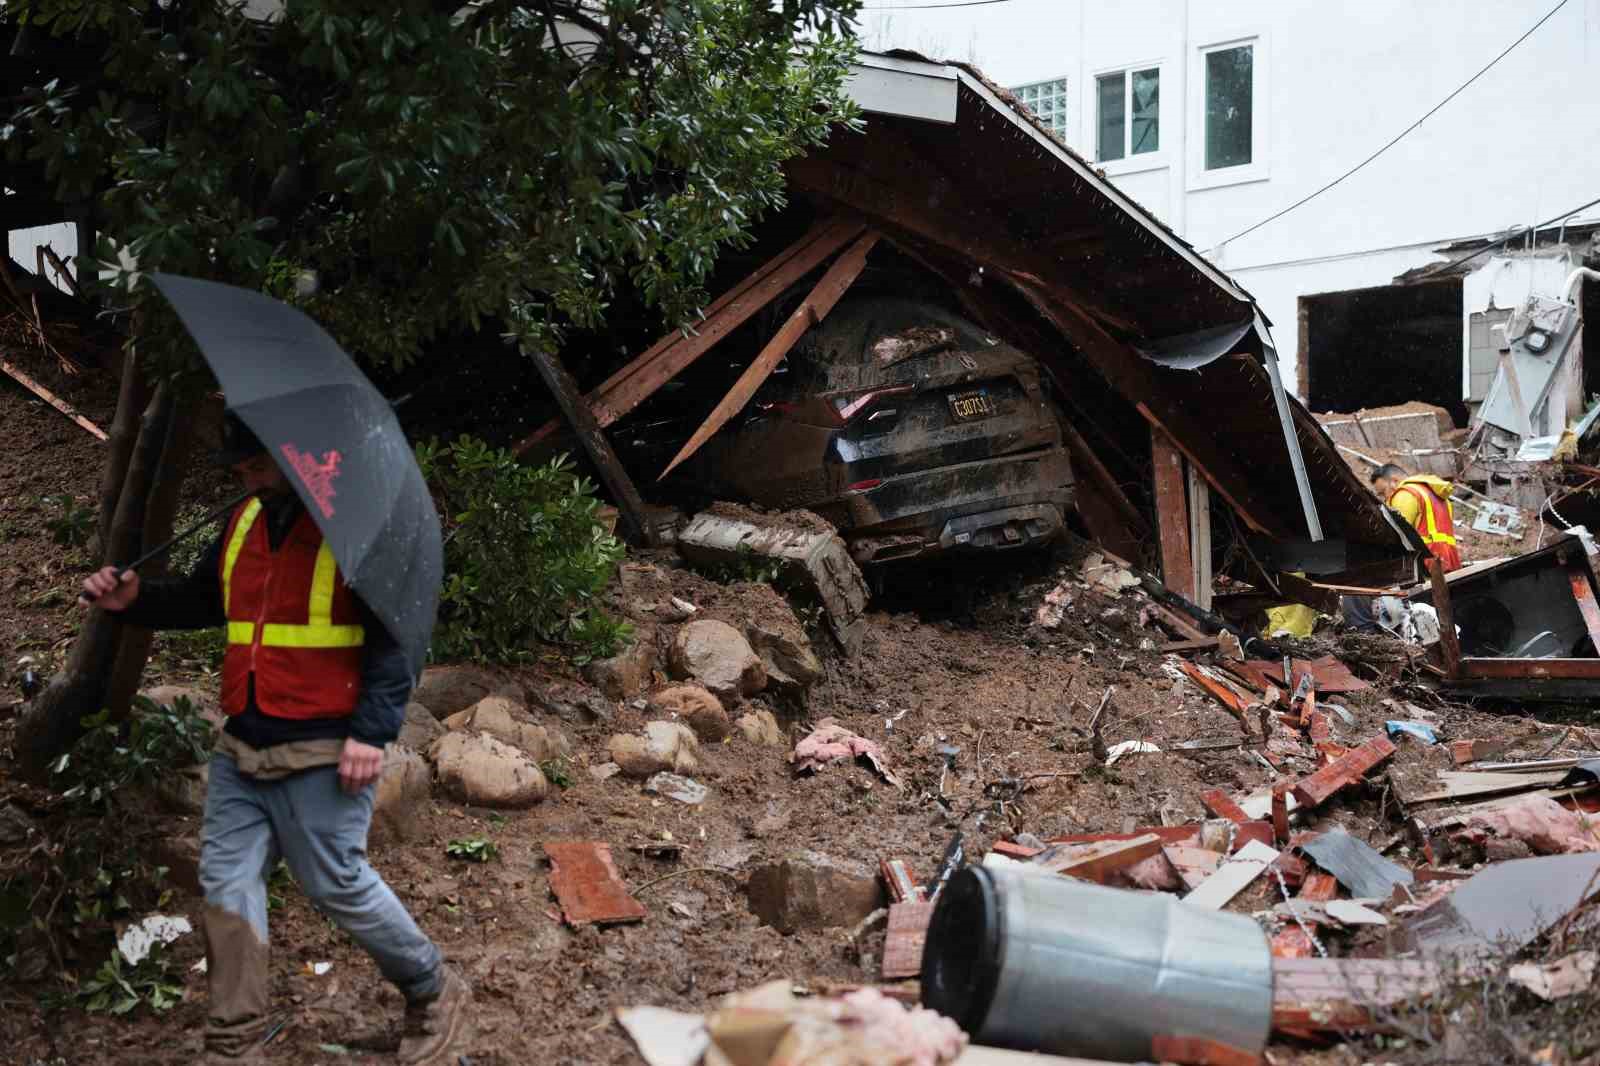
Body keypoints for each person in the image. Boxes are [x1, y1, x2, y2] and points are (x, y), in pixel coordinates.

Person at [80, 415, 470, 1065]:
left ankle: (434, 990)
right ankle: (235, 1044)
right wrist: (135, 598)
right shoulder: (239, 525)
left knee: (334, 883)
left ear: (298, 459)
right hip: (243, 745)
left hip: (324, 744)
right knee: (228, 885)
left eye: (255, 461)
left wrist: (372, 734)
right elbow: (206, 601)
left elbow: (395, 639)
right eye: (240, 463)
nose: (244, 473)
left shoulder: (354, 534)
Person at [1370, 463, 1462, 573]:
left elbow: (1395, 536)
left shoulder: (1404, 494)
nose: (1385, 498)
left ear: (1394, 481)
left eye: (1383, 492)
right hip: (1450, 560)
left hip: (1428, 564)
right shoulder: (1437, 495)